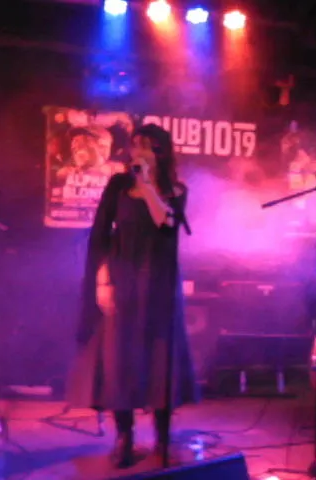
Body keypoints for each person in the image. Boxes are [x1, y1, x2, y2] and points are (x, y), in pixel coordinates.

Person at [66, 123, 199, 468]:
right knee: (119, 360)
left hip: (159, 284)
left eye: (146, 146)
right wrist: (102, 281)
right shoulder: (118, 186)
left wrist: (148, 184)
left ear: (160, 153)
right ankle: (124, 437)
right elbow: (100, 235)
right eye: (135, 145)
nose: (137, 151)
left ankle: (162, 438)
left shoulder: (175, 190)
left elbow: (165, 223)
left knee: (160, 358)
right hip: (122, 279)